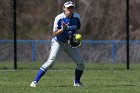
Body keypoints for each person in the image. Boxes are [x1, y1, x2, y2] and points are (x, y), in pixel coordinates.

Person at [30, 1, 85, 87]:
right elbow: (54, 33)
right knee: (50, 62)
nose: (70, 9)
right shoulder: (59, 18)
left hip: (69, 43)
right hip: (58, 42)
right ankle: (34, 82)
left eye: (72, 7)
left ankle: (77, 82)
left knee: (81, 63)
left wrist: (74, 37)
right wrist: (63, 29)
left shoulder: (77, 17)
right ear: (64, 8)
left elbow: (76, 29)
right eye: (68, 8)